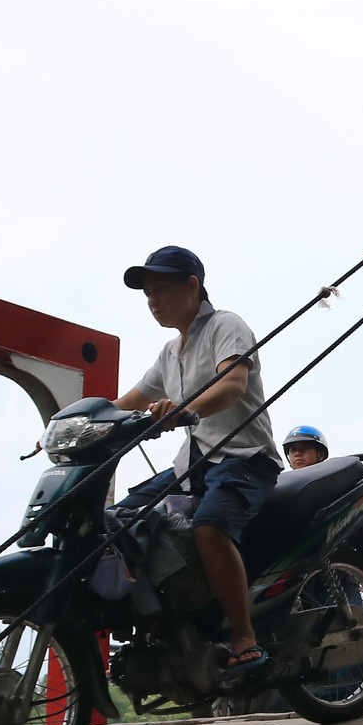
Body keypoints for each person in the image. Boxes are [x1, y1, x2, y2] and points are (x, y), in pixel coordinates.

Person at [114, 246, 283, 674]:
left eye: (162, 289)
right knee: (117, 520)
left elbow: (233, 385)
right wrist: (73, 423)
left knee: (209, 527)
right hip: (192, 466)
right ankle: (168, 623)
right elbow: (127, 403)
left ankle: (244, 634)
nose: (153, 301)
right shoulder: (170, 353)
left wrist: (186, 410)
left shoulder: (226, 325)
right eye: (148, 293)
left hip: (243, 458)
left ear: (193, 286)